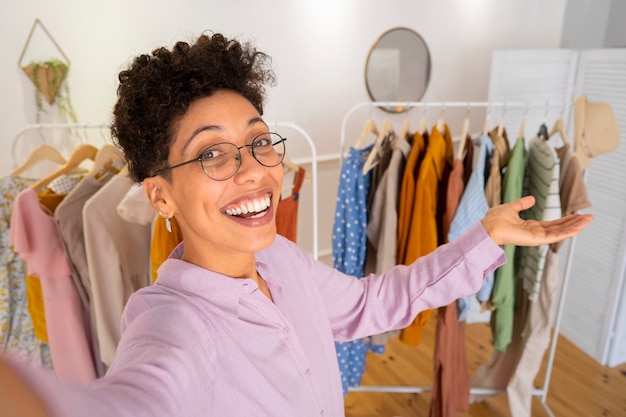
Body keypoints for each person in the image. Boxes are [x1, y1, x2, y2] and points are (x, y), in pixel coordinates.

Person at [0, 32, 593, 417]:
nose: (253, 172)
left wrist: (483, 236)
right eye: (212, 154)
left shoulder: (280, 259)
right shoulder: (171, 326)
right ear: (160, 196)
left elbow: (372, 302)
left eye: (259, 142)